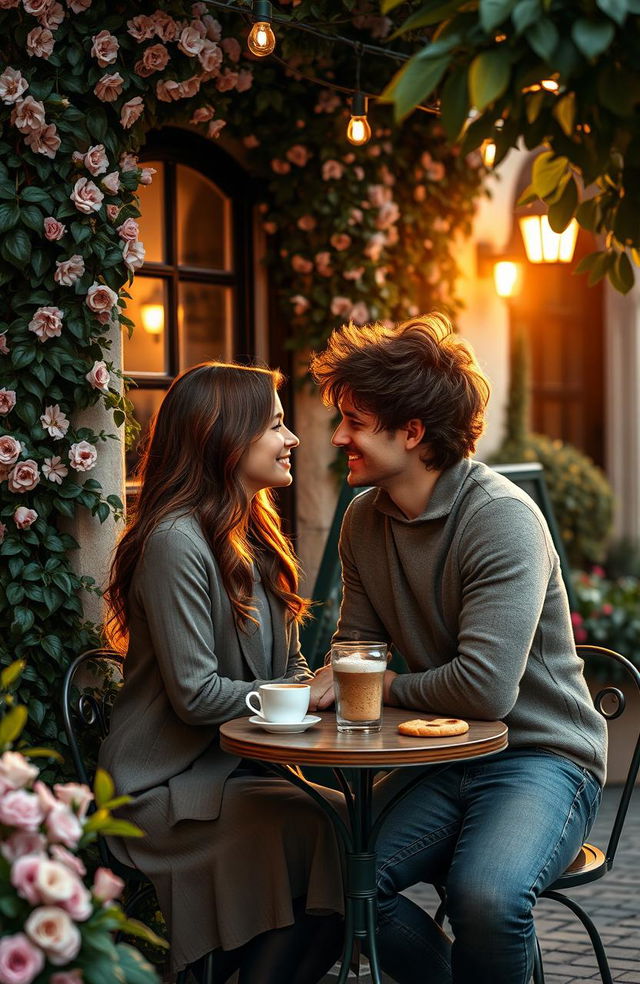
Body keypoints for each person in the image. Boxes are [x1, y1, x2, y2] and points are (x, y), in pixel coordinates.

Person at [309, 314, 606, 984]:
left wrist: (375, 686)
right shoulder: (364, 519)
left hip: (541, 755)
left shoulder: (500, 518)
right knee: (339, 884)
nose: (339, 437)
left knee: (488, 897)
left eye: (355, 421)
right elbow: (357, 648)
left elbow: (485, 690)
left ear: (412, 433)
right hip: (442, 755)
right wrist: (355, 678)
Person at [100, 361, 343, 984]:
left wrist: (320, 689)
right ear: (224, 436)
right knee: (333, 835)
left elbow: (291, 667)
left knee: (353, 834)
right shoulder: (174, 541)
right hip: (163, 792)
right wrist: (307, 696)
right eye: (277, 426)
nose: (293, 439)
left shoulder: (255, 534)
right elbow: (196, 696)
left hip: (237, 770)